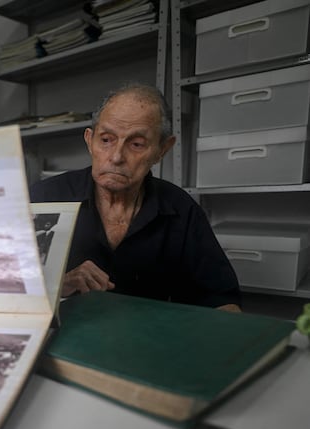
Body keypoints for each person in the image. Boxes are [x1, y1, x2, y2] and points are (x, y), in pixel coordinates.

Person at [29, 83, 241, 312]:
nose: (117, 156)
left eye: (136, 144)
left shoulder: (180, 209)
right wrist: (60, 285)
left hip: (147, 340)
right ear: (90, 140)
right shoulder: (42, 198)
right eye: (106, 140)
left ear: (162, 149)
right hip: (63, 338)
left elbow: (221, 301)